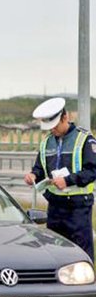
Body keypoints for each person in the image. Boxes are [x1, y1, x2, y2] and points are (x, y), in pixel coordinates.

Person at [24, 97, 96, 261]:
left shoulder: (84, 139)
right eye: (49, 128)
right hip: (55, 206)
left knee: (80, 253)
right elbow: (40, 168)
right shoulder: (46, 143)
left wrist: (69, 180)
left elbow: (92, 171)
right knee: (55, 252)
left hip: (78, 208)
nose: (53, 131)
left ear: (65, 117)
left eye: (55, 126)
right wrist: (33, 175)